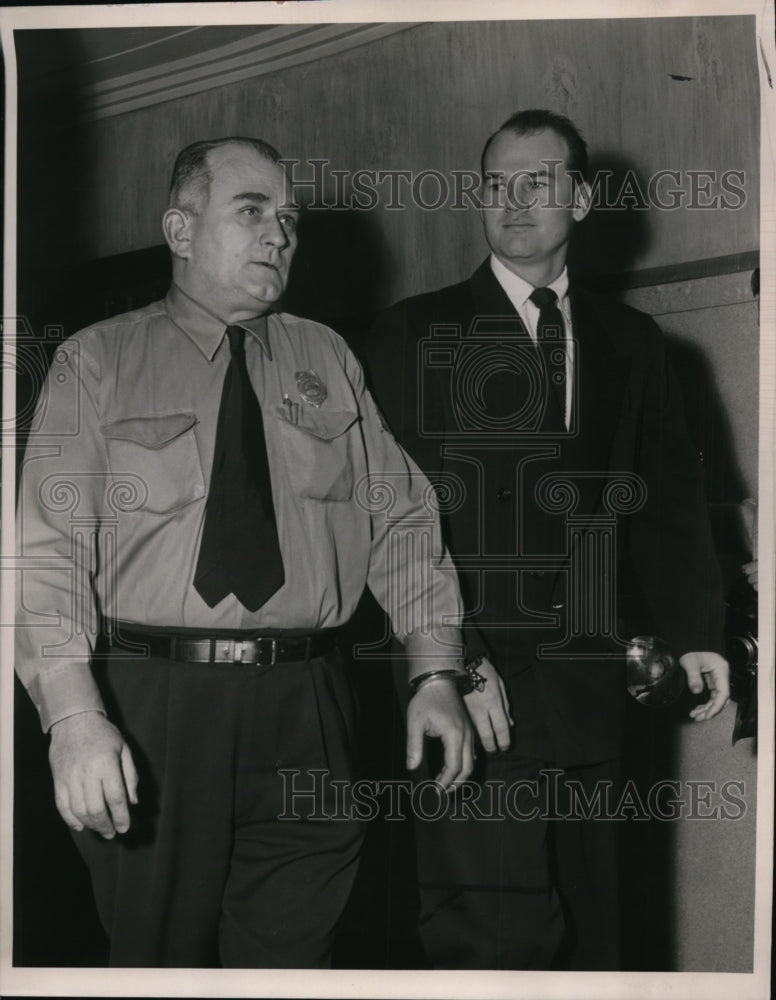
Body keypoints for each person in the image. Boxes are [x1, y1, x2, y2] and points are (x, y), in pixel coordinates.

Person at [14, 136, 475, 968]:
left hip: (311, 703)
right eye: (253, 210)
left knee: (296, 961)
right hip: (155, 708)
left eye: (289, 219)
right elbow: (44, 551)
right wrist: (74, 716)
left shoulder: (326, 357)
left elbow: (401, 517)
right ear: (180, 230)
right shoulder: (97, 361)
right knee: (160, 963)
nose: (280, 234)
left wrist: (437, 672)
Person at [363, 109, 730, 970]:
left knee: (599, 939)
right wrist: (454, 665)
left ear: (584, 197)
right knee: (490, 945)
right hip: (475, 698)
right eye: (497, 184)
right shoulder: (412, 334)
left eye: (538, 180)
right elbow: (392, 522)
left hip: (594, 691)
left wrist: (698, 633)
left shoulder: (633, 342)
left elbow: (666, 502)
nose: (514, 201)